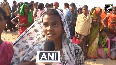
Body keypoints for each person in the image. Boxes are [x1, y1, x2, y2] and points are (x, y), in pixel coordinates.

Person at [11, 9, 84, 65]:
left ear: (63, 27)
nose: (49, 28)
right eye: (46, 24)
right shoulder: (35, 50)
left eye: (55, 24)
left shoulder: (75, 50)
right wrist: (34, 62)